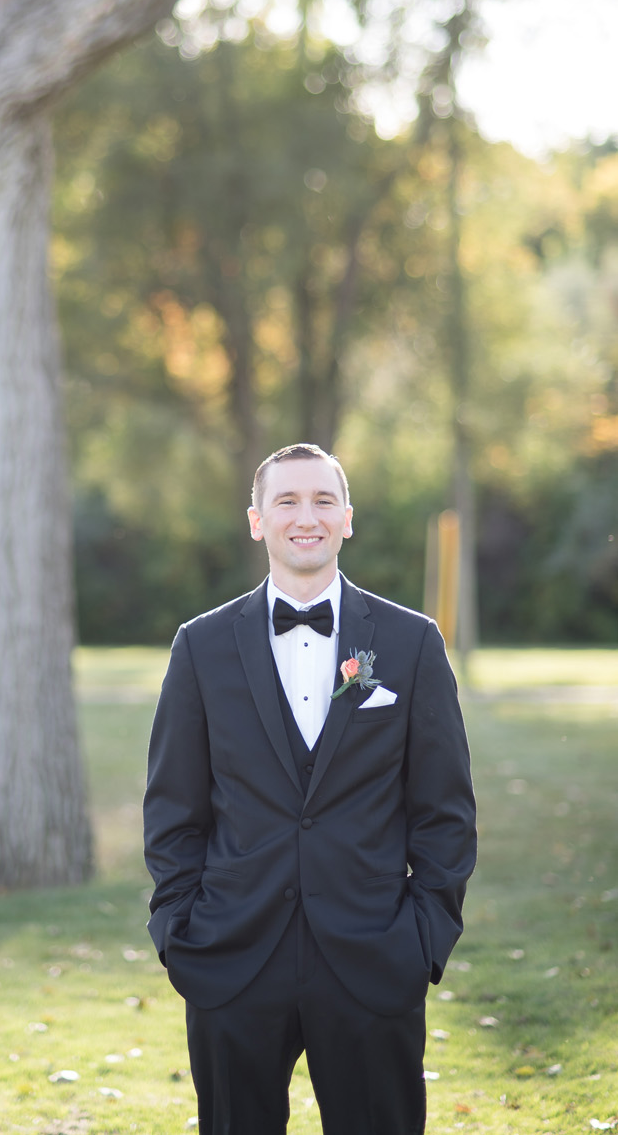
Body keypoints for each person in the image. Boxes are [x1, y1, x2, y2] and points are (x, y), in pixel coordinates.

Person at [143, 443, 477, 1135]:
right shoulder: (199, 647)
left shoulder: (410, 642)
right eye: (286, 500)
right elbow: (173, 810)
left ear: (346, 519)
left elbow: (443, 811)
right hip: (232, 957)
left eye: (323, 500)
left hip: (373, 956)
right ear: (256, 520)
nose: (306, 516)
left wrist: (424, 936)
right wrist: (179, 932)